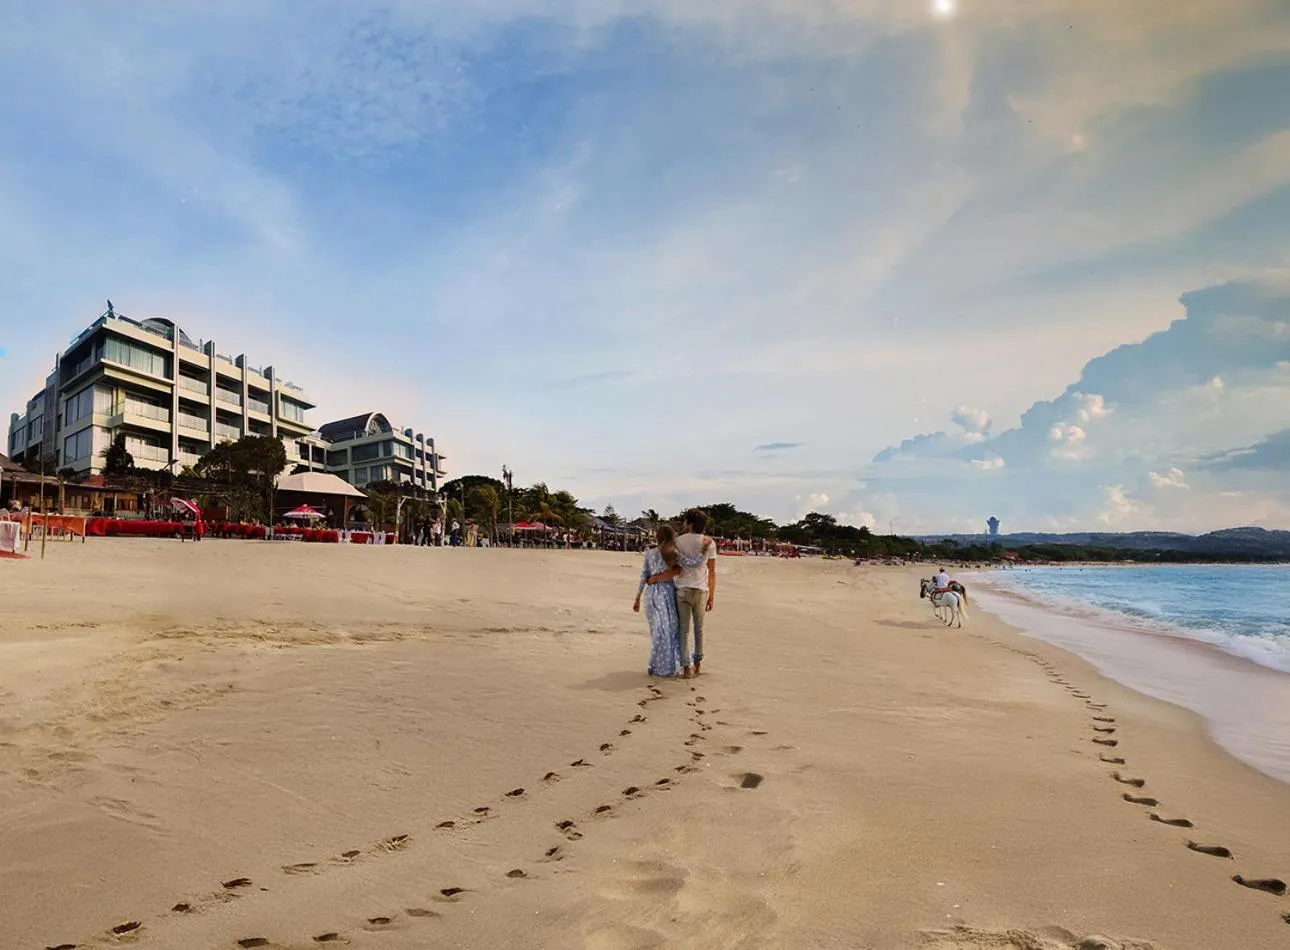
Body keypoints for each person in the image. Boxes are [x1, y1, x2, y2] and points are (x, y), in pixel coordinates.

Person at [633, 525, 713, 677]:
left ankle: (658, 665)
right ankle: (665, 666)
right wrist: (704, 549)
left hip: (651, 595)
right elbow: (694, 563)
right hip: (667, 593)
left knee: (659, 631)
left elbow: (644, 576)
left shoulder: (650, 554)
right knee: (669, 630)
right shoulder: (672, 553)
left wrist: (638, 597)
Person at [674, 508, 717, 677]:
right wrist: (712, 596)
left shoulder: (679, 541)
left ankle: (685, 667)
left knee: (683, 630)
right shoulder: (709, 543)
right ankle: (697, 664)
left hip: (683, 588)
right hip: (701, 590)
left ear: (689, 524)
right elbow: (712, 572)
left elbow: (675, 567)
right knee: (699, 629)